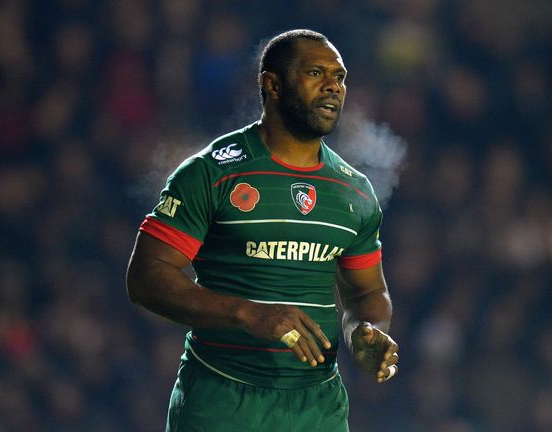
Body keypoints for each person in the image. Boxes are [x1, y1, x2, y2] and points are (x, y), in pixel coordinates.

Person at [125, 29, 399, 432]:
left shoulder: (354, 190)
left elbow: (368, 293)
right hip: (222, 399)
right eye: (315, 73)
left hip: (317, 407)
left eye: (339, 77)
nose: (333, 87)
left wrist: (365, 332)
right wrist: (245, 312)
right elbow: (145, 277)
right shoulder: (212, 173)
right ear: (272, 84)